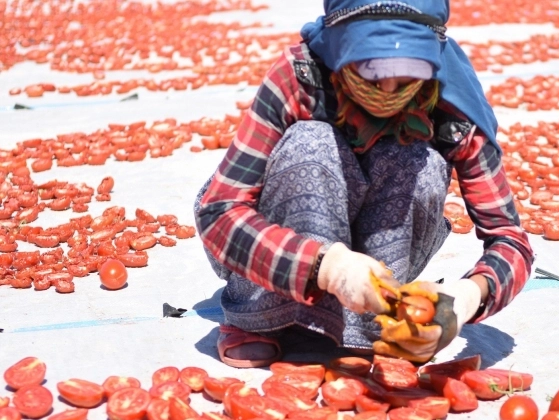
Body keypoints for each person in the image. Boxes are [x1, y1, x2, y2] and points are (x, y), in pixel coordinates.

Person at [194, 0, 534, 368]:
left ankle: (373, 322)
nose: (387, 91)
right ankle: (260, 318)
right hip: (283, 246)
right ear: (340, 47)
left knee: (419, 162)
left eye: (406, 77)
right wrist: (327, 267)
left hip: (381, 257)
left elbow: (510, 240)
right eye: (369, 72)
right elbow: (219, 212)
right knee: (312, 143)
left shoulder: (454, 110)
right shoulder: (301, 77)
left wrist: (468, 296)